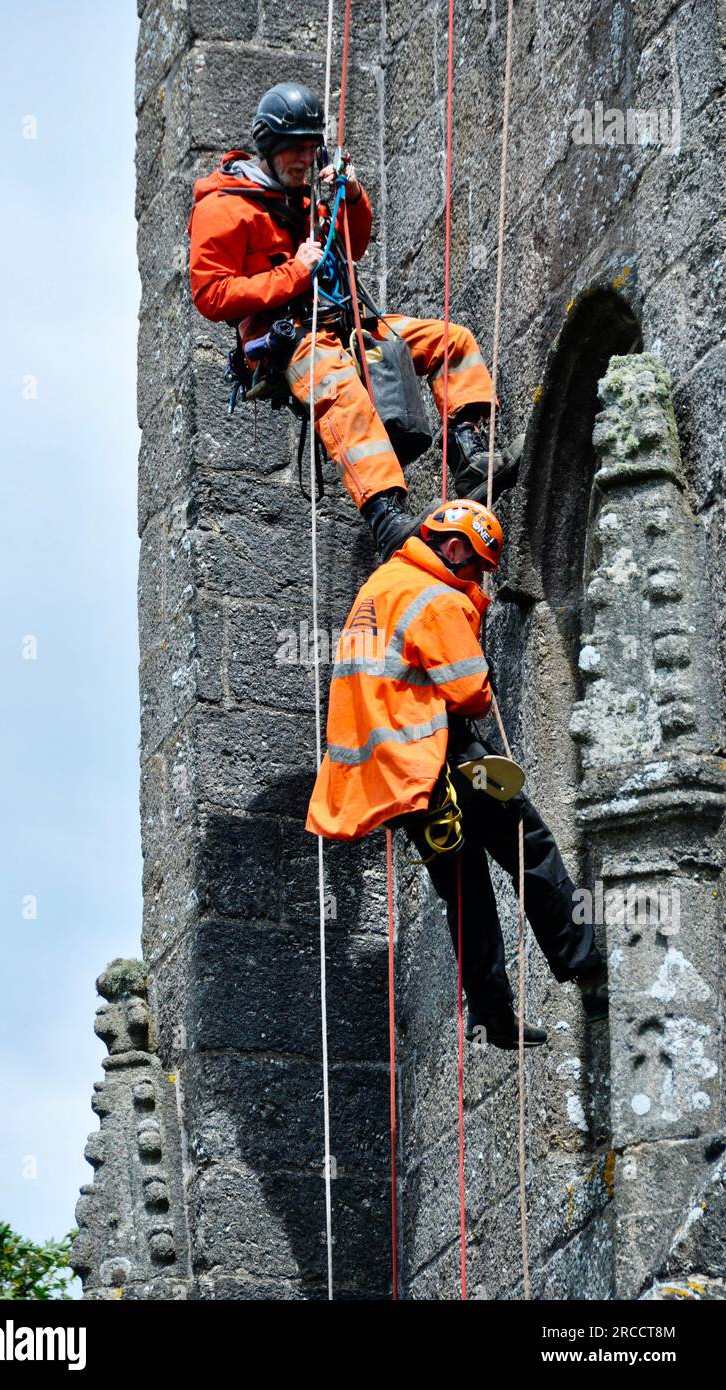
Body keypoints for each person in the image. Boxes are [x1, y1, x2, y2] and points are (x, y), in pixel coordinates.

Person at [304, 498, 608, 1050]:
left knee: (464, 889)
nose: (476, 580)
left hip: (397, 778)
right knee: (527, 846)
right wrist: (471, 621)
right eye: (475, 568)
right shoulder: (436, 599)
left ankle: (493, 1015)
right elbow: (470, 693)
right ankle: (584, 964)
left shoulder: (380, 588)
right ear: (453, 548)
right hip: (439, 754)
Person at [187, 82, 522, 561]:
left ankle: (469, 452)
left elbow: (354, 244)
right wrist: (293, 273)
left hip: (344, 326)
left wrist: (352, 192)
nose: (305, 160)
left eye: (310, 148)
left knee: (449, 340)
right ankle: (387, 515)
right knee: (340, 387)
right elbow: (211, 294)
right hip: (291, 343)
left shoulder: (308, 199)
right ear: (270, 148)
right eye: (295, 151)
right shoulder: (224, 207)